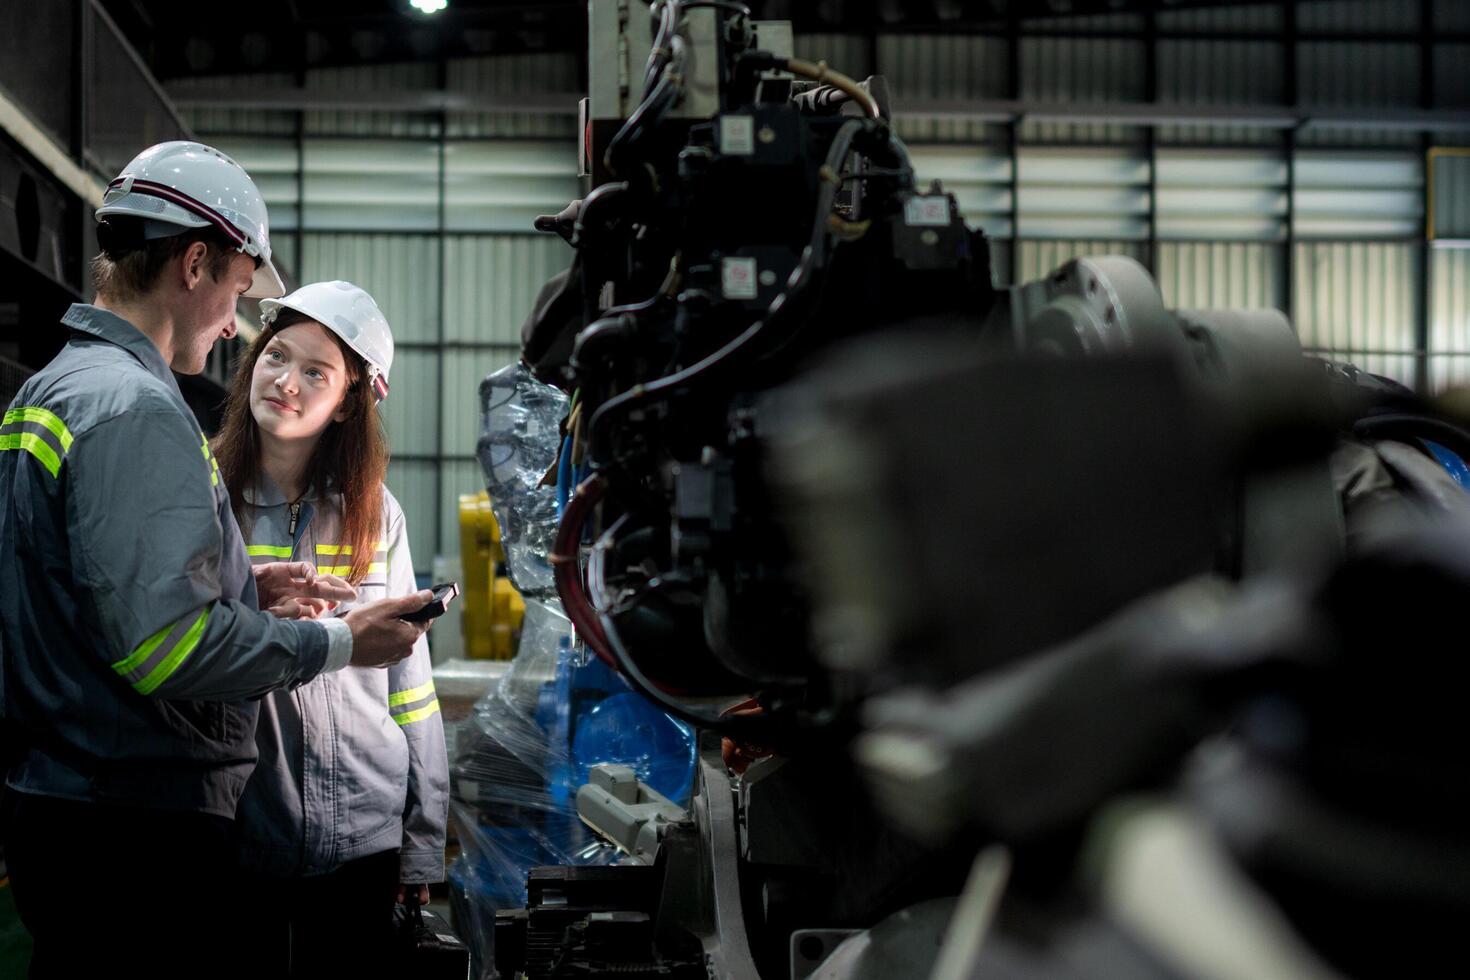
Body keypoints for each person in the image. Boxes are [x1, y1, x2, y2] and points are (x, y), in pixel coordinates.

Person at [0, 141, 433, 978]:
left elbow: (83, 588)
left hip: (70, 804)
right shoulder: (137, 409)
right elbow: (167, 647)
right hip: (132, 828)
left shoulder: (55, 387)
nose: (237, 325)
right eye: (239, 292)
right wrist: (341, 643)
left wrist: (244, 585)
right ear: (195, 263)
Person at [211, 280, 449, 974]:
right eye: (276, 356)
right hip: (238, 830)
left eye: (316, 371)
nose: (285, 382)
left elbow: (411, 689)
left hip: (361, 838)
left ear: (349, 398)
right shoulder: (203, 496)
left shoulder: (376, 514)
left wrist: (423, 837)